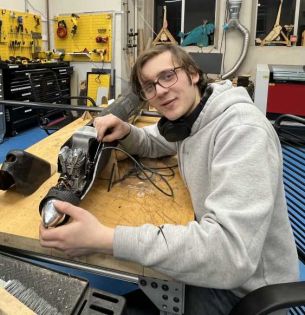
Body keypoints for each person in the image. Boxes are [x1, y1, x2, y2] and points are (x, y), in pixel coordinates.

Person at [40, 44, 299, 315]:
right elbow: (156, 140)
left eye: (167, 76)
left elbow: (229, 254)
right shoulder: (191, 118)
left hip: (245, 294)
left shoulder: (242, 131)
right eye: (149, 87)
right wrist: (127, 131)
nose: (160, 91)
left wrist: (105, 238)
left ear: (193, 74)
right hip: (217, 269)